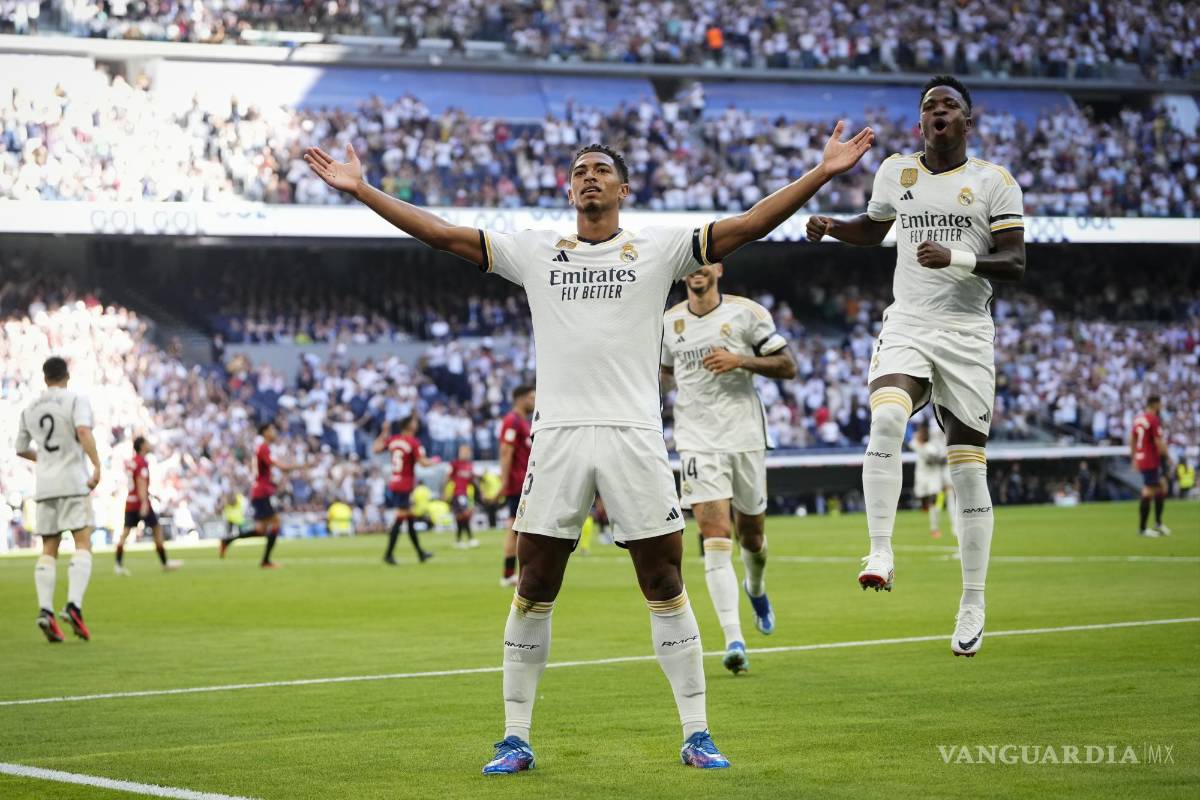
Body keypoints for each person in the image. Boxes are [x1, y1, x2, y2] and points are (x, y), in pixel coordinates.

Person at [304, 117, 872, 772]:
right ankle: (515, 736)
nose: (589, 178)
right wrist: (363, 190)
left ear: (623, 189)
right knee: (536, 581)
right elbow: (441, 234)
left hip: (635, 437)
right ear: (568, 190)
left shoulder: (657, 250)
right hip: (561, 438)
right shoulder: (536, 250)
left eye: (601, 170)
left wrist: (822, 174)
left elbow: (745, 225)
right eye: (579, 172)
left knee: (663, 579)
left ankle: (697, 732)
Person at [807, 75, 1026, 658]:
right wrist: (834, 227)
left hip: (968, 334)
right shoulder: (895, 173)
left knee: (967, 469)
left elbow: (1016, 261)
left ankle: (972, 602)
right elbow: (873, 230)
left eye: (948, 105)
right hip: (908, 322)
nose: (937, 112)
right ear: (921, 121)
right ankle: (879, 549)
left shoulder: (994, 183)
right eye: (929, 106)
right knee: (885, 420)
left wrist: (955, 256)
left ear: (966, 121)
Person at [661, 262, 796, 674]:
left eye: (702, 266)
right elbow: (666, 373)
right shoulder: (668, 322)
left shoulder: (747, 314)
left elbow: (788, 367)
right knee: (715, 534)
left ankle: (755, 587)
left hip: (745, 436)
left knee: (752, 536)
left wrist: (740, 360)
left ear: (717, 269)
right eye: (689, 268)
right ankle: (733, 638)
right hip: (697, 439)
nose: (696, 274)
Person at [15, 356, 101, 642]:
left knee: (49, 547)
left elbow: (20, 448)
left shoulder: (30, 408)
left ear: (44, 377)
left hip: (45, 485)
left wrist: (46, 459)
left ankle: (45, 611)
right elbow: (83, 431)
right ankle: (74, 605)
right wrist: (97, 464)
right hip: (73, 481)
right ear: (67, 376)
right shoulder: (76, 400)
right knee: (82, 541)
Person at [219, 421, 301, 567]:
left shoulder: (262, 448)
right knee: (275, 523)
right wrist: (296, 466)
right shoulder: (263, 448)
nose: (274, 432)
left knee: (260, 530)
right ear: (265, 433)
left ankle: (227, 540)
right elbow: (278, 466)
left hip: (260, 492)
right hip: (261, 493)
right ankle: (265, 561)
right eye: (272, 429)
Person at [115, 436, 182, 575]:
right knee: (157, 529)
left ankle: (118, 564)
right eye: (146, 442)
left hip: (131, 500)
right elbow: (140, 482)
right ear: (141, 446)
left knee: (126, 533)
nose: (149, 444)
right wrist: (145, 502)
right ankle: (164, 563)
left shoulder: (133, 462)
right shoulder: (141, 462)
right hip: (140, 502)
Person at [374, 416, 436, 564]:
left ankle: (420, 553)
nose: (417, 424)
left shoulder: (394, 440)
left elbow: (375, 449)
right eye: (414, 422)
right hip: (405, 484)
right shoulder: (412, 442)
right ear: (410, 426)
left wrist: (384, 432)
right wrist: (435, 461)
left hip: (395, 482)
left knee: (409, 519)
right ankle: (388, 554)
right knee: (401, 518)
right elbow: (422, 462)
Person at [498, 386, 535, 586]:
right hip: (517, 482)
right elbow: (506, 451)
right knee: (516, 528)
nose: (534, 401)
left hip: (524, 481)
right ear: (520, 399)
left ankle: (511, 574)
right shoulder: (512, 421)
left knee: (519, 528)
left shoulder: (521, 421)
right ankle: (508, 574)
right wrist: (504, 481)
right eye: (531, 397)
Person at [1131, 396, 1170, 537]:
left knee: (1162, 486)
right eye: (1160, 404)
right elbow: (1158, 441)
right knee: (1148, 491)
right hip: (1151, 459)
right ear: (1155, 404)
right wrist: (1168, 457)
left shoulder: (1138, 419)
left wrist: (1134, 457)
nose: (1161, 407)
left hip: (1142, 457)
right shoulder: (1152, 419)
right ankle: (1142, 529)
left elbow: (1132, 439)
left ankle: (1158, 523)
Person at [910, 422, 954, 539]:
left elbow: (942, 456)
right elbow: (915, 444)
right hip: (924, 475)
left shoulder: (937, 443)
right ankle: (933, 518)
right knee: (928, 499)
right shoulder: (920, 445)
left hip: (938, 473)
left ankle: (949, 526)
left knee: (945, 495)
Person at [448, 443, 479, 548]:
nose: (465, 454)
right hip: (458, 493)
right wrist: (445, 492)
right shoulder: (455, 464)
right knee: (462, 516)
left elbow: (472, 480)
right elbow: (448, 478)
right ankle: (468, 539)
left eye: (467, 451)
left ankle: (460, 540)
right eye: (463, 451)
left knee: (462, 516)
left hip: (466, 494)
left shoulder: (469, 465)